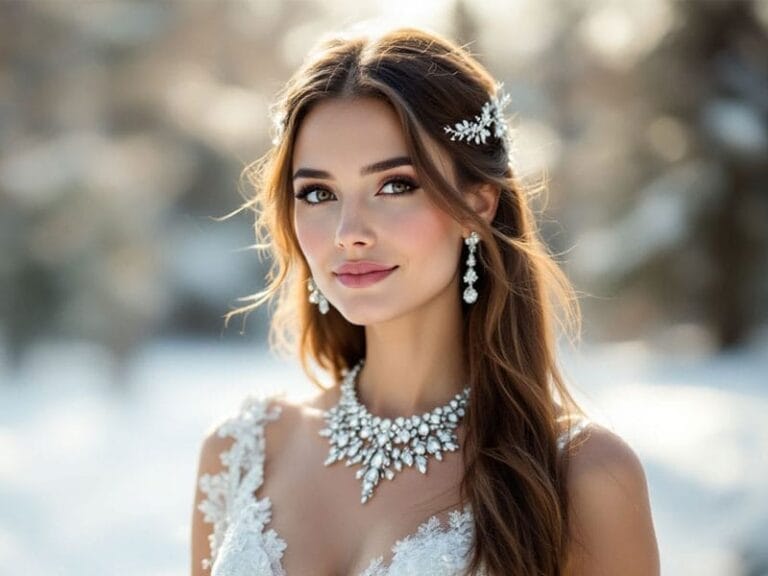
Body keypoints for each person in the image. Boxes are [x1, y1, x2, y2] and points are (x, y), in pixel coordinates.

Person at [190, 25, 659, 576]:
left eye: (394, 185)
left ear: (477, 204)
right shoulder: (239, 454)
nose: (348, 231)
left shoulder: (584, 478)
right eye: (318, 193)